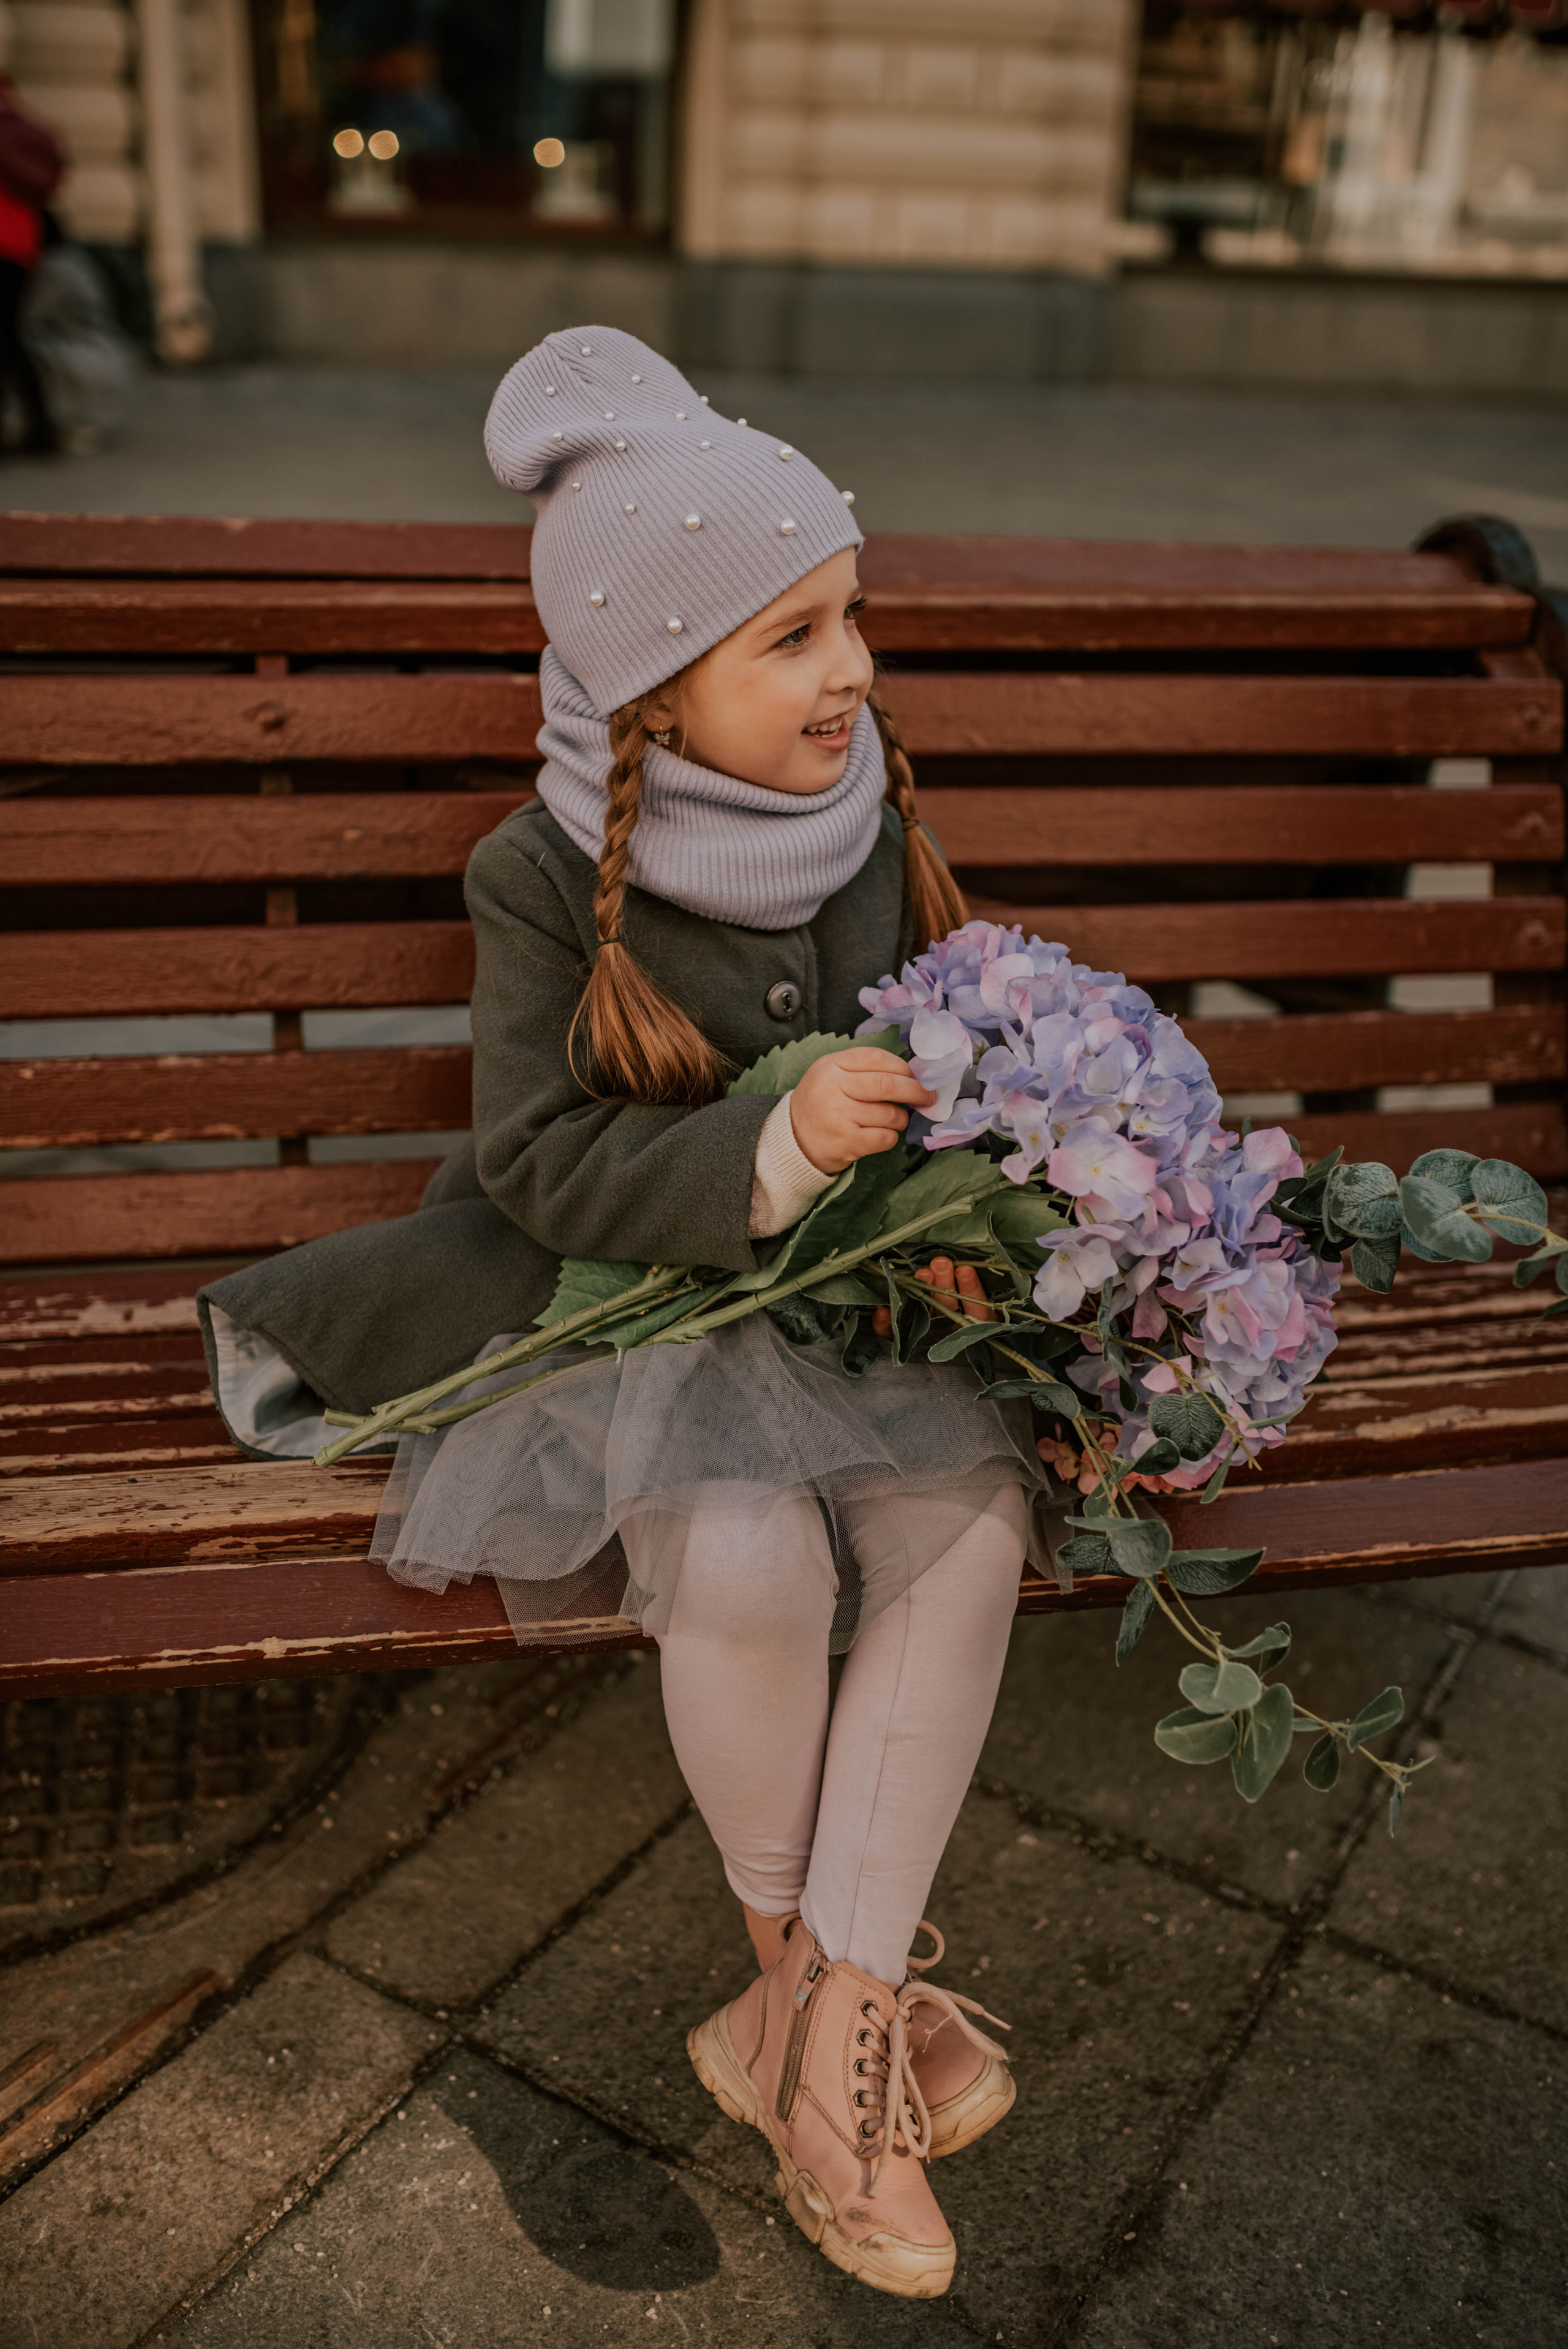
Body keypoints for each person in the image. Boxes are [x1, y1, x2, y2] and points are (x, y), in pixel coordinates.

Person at [197, 327, 1048, 2299]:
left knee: (970, 1527)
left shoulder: (864, 818)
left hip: (849, 1311)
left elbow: (945, 1042)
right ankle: (833, 2030)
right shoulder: (538, 874)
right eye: (792, 636)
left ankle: (807, 2037)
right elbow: (537, 1163)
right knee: (745, 1550)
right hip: (630, 1309)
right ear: (649, 687)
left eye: (853, 617)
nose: (849, 668)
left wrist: (991, 1137)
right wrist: (770, 1150)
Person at [0, 76, 62, 456]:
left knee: (6, 338)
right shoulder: (28, 129)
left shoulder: (13, 131)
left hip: (9, 244)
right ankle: (39, 428)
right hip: (19, 244)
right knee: (8, 338)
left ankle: (39, 429)